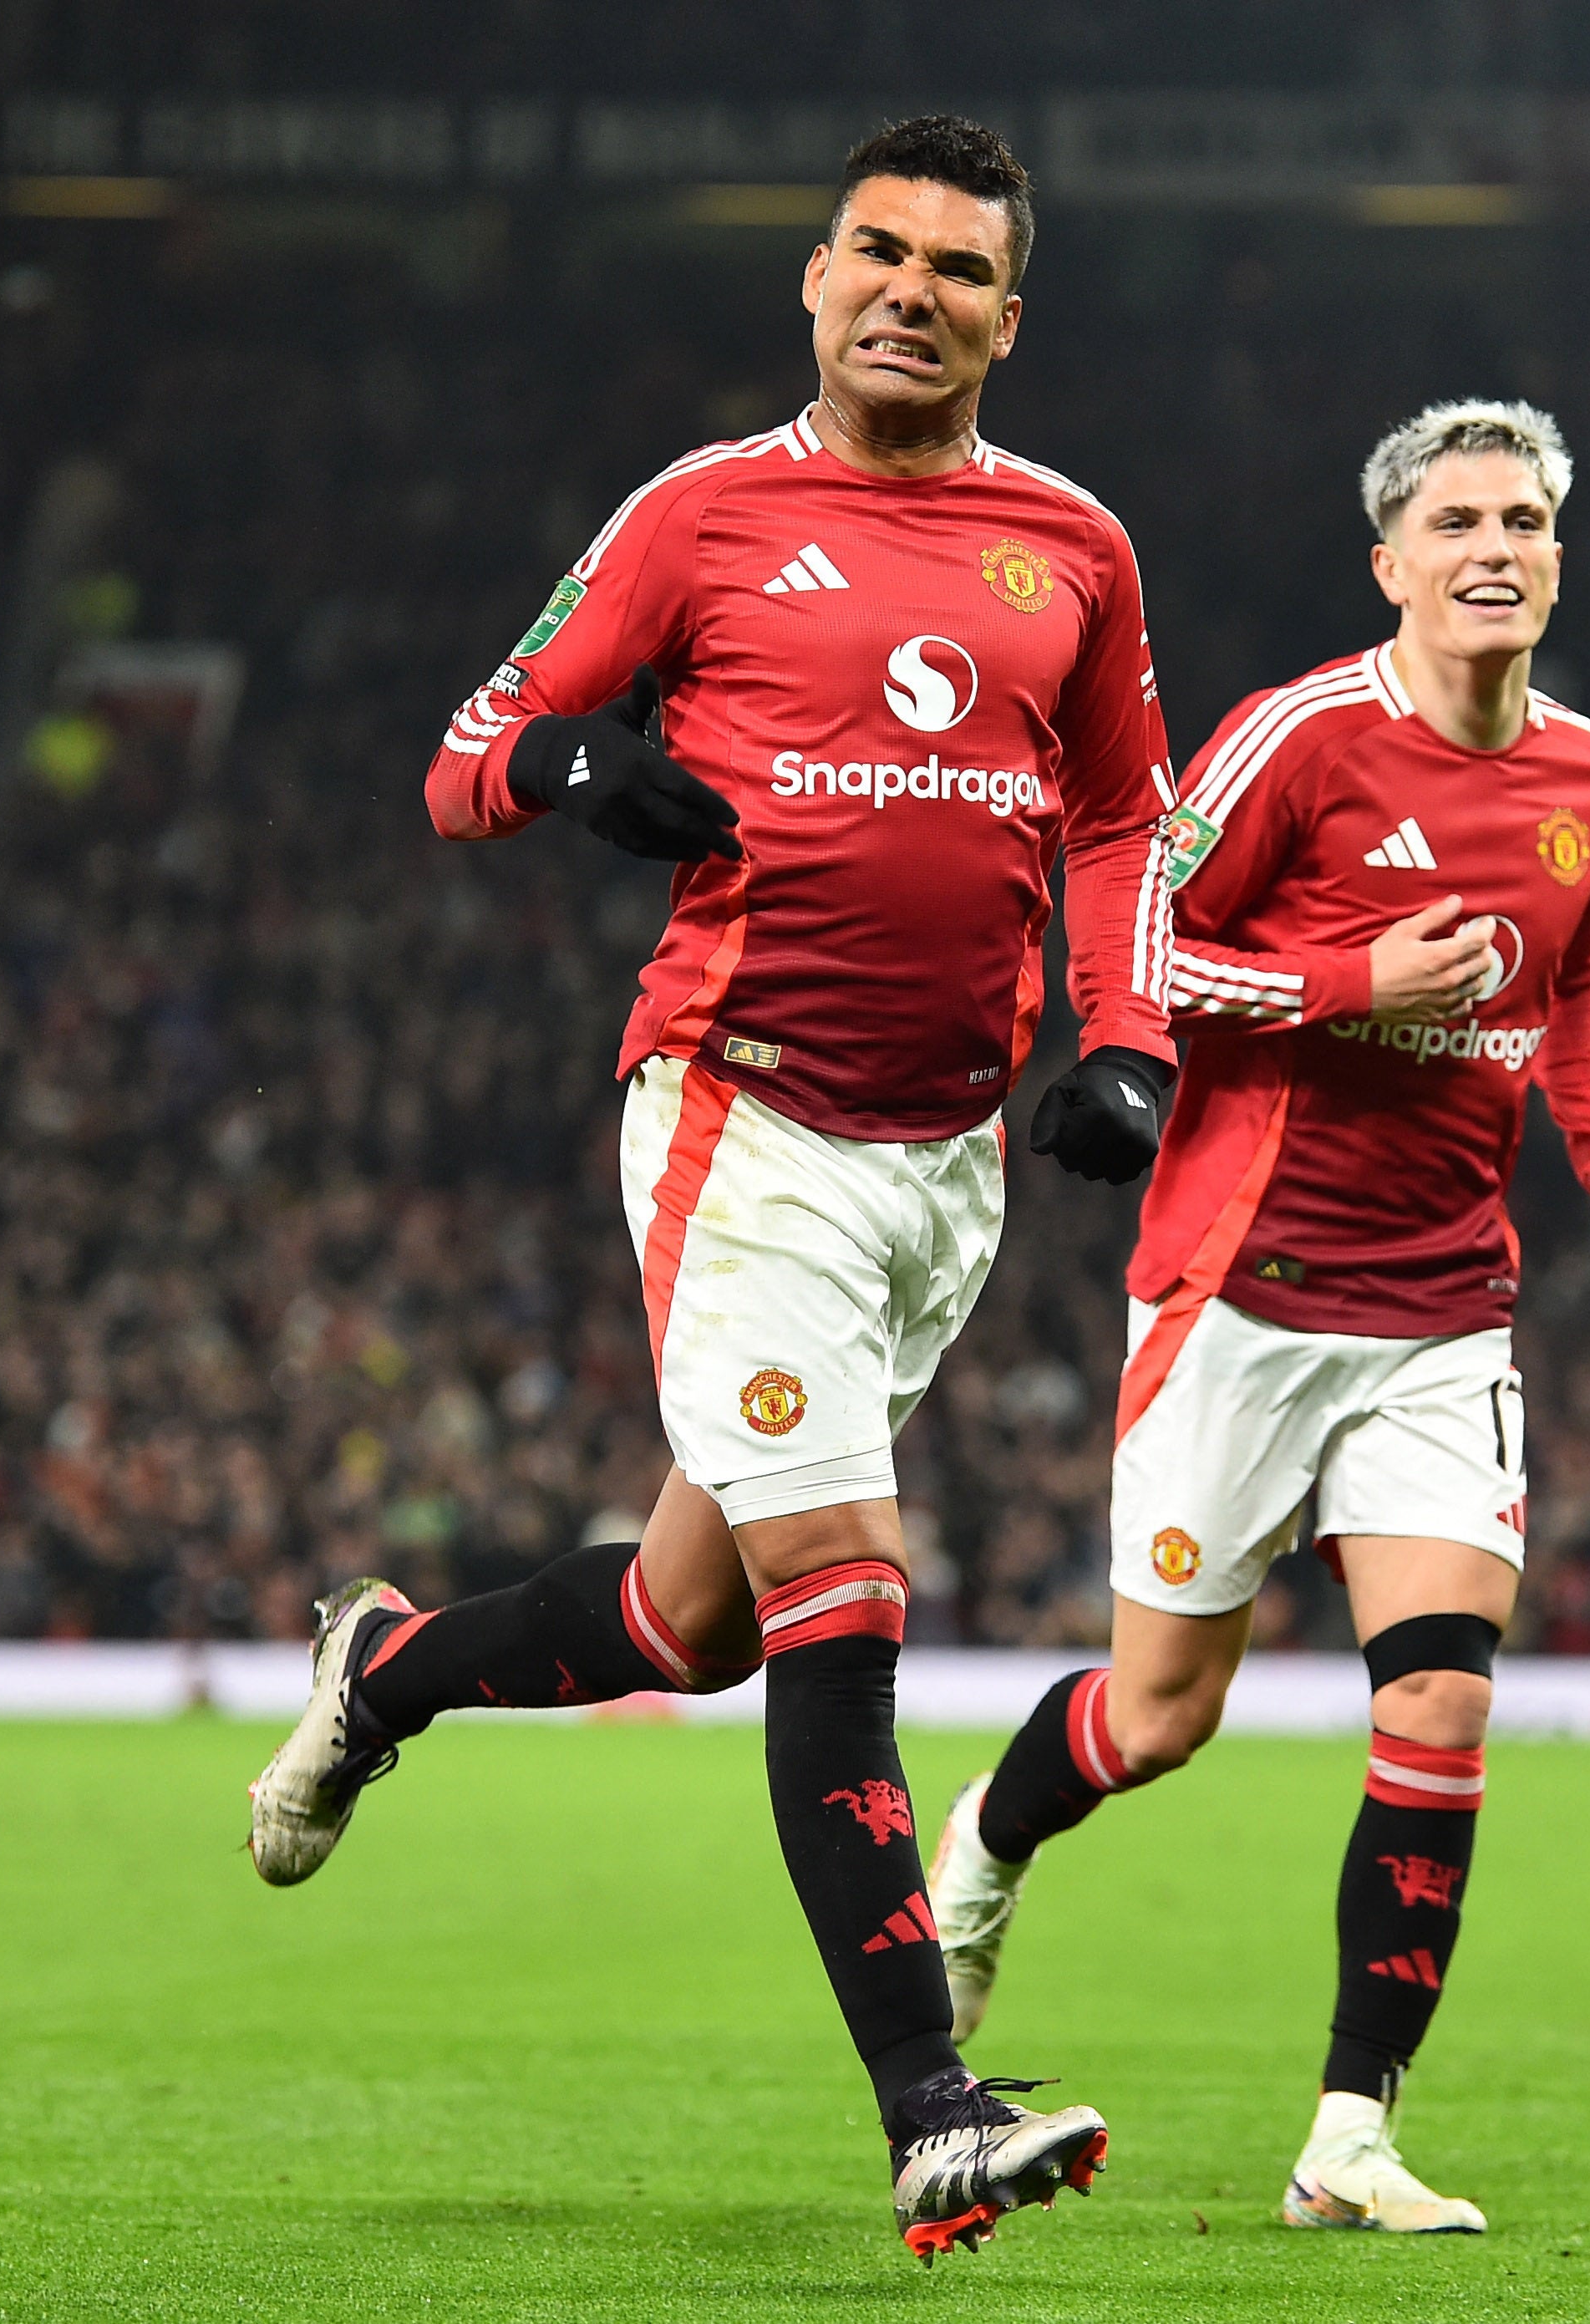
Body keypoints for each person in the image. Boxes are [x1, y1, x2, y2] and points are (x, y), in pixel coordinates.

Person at [241, 114, 1185, 2264]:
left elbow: (1130, 824)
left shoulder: (1076, 546)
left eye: (957, 266)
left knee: (690, 1619)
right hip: (740, 1119)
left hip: (944, 1162)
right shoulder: (700, 512)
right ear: (813, 278)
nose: (909, 288)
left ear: (1006, 318)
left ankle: (383, 1667)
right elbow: (466, 752)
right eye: (877, 250)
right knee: (845, 1603)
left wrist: (1126, 1034)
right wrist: (573, 762)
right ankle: (929, 2107)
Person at [924, 399, 1590, 2233]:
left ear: (1555, 555)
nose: (1494, 546)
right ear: (1392, 564)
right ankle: (983, 1849)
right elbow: (1134, 951)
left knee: (1435, 1702)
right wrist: (1354, 976)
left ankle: (1349, 2131)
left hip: (1441, 1314)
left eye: (1524, 519)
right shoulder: (1299, 737)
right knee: (1160, 1713)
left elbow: (1571, 996)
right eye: (1457, 521)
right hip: (1239, 1294)